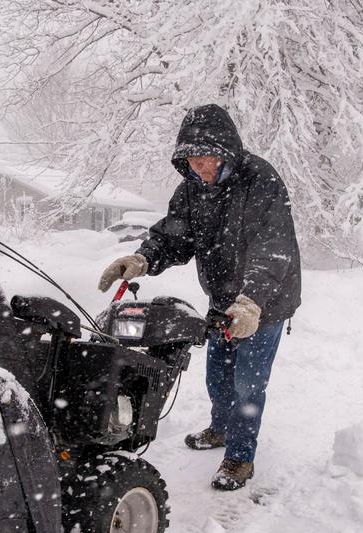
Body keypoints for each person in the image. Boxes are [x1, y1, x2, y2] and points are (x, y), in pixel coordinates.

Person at [97, 104, 301, 491]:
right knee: (218, 375)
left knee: (247, 383)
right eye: (192, 162)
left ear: (225, 151)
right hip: (222, 297)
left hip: (266, 302)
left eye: (207, 160)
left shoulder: (260, 181)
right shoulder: (192, 189)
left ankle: (240, 456)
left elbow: (271, 248)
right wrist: (142, 258)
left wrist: (251, 301)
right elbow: (174, 235)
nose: (202, 170)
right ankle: (222, 428)